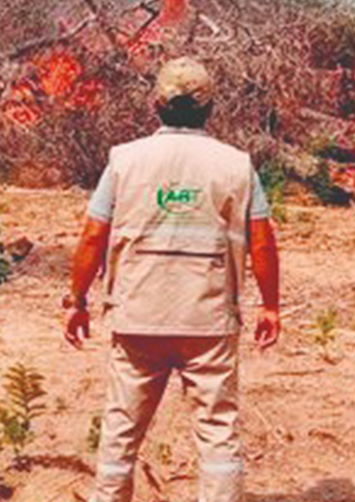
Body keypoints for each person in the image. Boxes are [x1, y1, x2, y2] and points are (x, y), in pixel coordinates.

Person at [64, 56, 282, 502]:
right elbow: (261, 241)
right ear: (209, 108)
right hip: (208, 320)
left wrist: (77, 300)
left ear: (157, 104)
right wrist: (271, 305)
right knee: (218, 433)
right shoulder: (236, 165)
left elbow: (92, 236)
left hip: (138, 317)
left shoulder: (125, 160)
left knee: (121, 428)